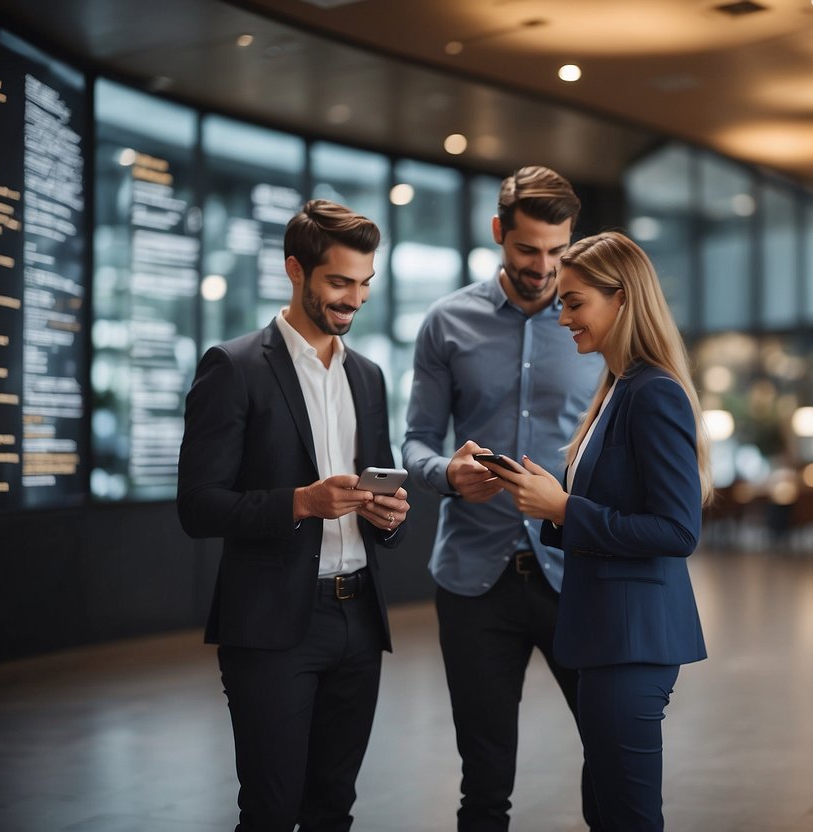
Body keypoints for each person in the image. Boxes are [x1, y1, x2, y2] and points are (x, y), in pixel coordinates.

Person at [177, 199, 410, 832]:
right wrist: (301, 502)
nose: (353, 300)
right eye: (339, 283)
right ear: (296, 271)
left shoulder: (369, 376)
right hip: (274, 626)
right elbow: (197, 506)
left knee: (334, 808)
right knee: (272, 813)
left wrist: (389, 515)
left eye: (364, 284)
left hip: (359, 618)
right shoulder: (234, 367)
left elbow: (381, 491)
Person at [478, 231, 711, 831]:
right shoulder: (617, 389)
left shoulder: (652, 393)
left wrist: (562, 510)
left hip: (632, 640)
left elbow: (678, 529)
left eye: (575, 302)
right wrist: (549, 498)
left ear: (623, 300)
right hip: (612, 635)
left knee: (628, 817)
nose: (562, 318)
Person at [403, 166, 605, 831]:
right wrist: (444, 474)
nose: (543, 267)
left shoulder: (594, 326)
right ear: (499, 234)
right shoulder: (445, 323)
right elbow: (416, 442)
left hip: (576, 574)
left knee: (609, 753)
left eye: (556, 250)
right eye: (527, 250)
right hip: (473, 582)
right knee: (483, 778)